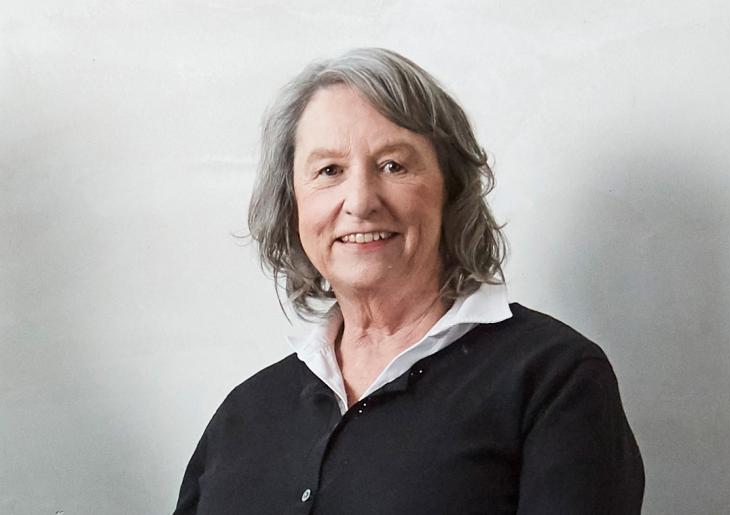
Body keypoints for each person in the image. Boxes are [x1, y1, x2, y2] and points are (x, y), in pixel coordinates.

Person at [174, 48, 644, 514]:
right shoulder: (245, 414)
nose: (359, 200)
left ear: (451, 190)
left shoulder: (553, 377)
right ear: (292, 204)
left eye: (393, 166)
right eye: (329, 171)